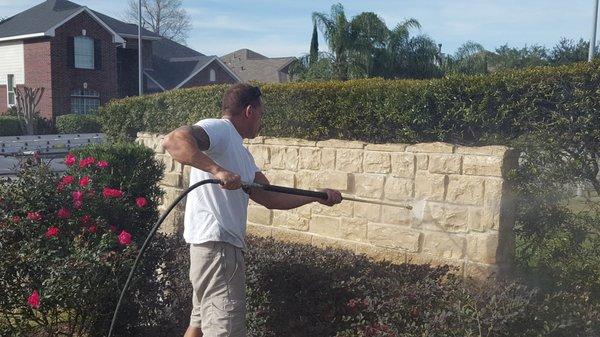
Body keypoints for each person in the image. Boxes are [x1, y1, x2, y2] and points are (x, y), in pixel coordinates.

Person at [162, 83, 342, 337]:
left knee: (199, 325)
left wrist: (317, 197)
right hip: (219, 248)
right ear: (249, 111)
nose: (262, 120)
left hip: (211, 250)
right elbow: (173, 140)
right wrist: (217, 171)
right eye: (261, 114)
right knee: (225, 331)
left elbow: (269, 196)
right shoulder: (220, 130)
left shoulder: (242, 155)